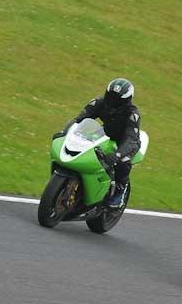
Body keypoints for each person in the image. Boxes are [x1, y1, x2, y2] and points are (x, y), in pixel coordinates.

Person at [54, 78, 141, 209]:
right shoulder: (98, 103)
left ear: (126, 101)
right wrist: (64, 132)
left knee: (122, 161)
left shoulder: (132, 115)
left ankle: (121, 189)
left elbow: (130, 139)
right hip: (105, 134)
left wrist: (117, 154)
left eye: (117, 99)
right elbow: (79, 120)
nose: (112, 101)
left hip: (126, 142)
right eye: (110, 96)